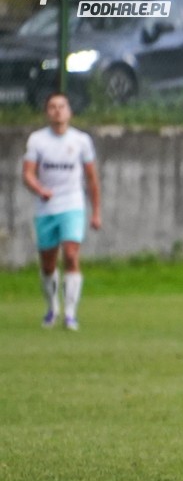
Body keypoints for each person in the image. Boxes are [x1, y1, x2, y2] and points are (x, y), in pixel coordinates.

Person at [22, 92, 101, 331]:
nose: (57, 110)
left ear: (69, 111)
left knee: (71, 254)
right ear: (47, 112)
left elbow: (91, 178)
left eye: (62, 106)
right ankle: (52, 308)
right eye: (52, 107)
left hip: (72, 204)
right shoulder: (37, 140)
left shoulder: (81, 140)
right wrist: (40, 189)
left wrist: (96, 212)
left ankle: (70, 313)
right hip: (46, 208)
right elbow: (28, 174)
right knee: (48, 263)